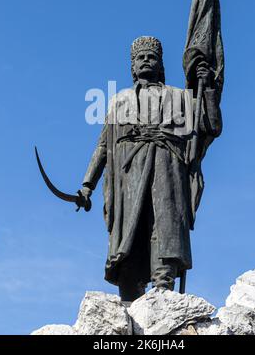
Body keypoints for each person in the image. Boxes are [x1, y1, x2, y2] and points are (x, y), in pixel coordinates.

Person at [78, 35, 222, 301]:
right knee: (129, 233)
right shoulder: (120, 101)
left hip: (166, 169)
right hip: (128, 174)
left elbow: (210, 126)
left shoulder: (179, 97)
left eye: (151, 57)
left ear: (160, 64)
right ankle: (129, 295)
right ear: (132, 67)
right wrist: (87, 185)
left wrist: (209, 86)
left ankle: (163, 290)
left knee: (164, 224)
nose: (146, 60)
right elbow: (103, 147)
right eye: (140, 58)